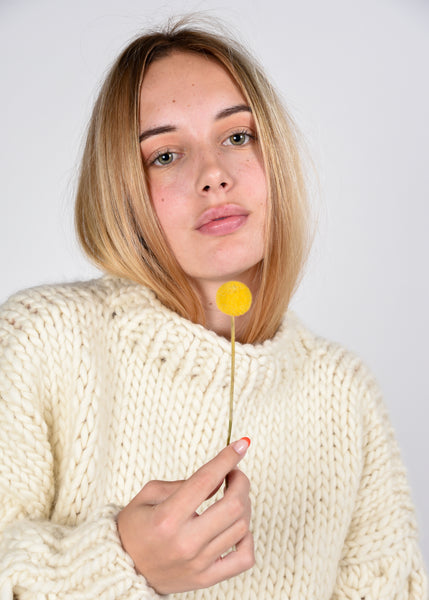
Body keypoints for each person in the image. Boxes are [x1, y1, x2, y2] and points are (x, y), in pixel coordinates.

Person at [0, 17, 426, 600]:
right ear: (121, 189)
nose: (214, 176)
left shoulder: (344, 396)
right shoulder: (39, 340)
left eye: (237, 137)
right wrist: (120, 562)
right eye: (167, 155)